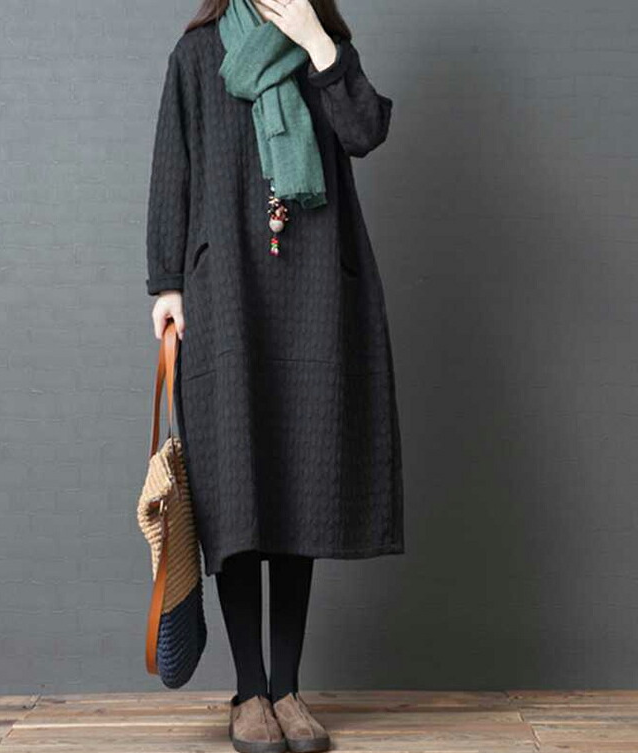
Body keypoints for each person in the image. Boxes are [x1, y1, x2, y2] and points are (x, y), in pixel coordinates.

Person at [145, 1, 405, 750]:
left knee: (301, 485)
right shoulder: (197, 56)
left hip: (316, 291)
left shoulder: (328, 46)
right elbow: (172, 166)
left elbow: (365, 130)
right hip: (226, 291)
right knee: (237, 487)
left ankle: (287, 689)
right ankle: (249, 690)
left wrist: (318, 43)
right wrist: (167, 284)